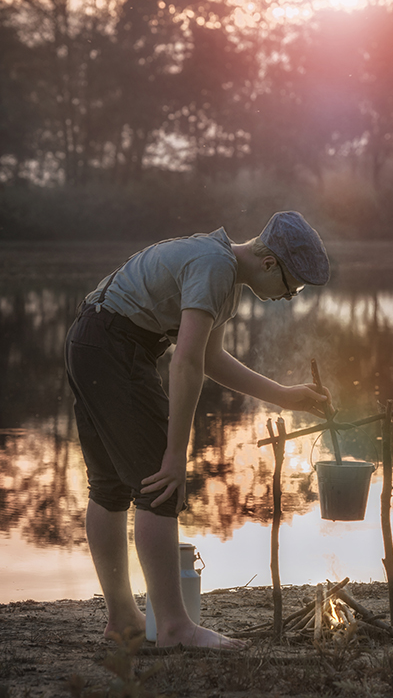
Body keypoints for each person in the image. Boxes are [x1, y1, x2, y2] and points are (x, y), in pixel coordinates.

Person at [64, 211, 331, 650]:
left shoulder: (218, 266)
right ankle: (173, 626)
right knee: (160, 484)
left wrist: (283, 395)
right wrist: (174, 453)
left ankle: (124, 621)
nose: (289, 297)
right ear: (269, 264)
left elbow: (210, 357)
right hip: (115, 348)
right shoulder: (217, 268)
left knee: (109, 487)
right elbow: (185, 363)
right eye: (291, 286)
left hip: (90, 340)